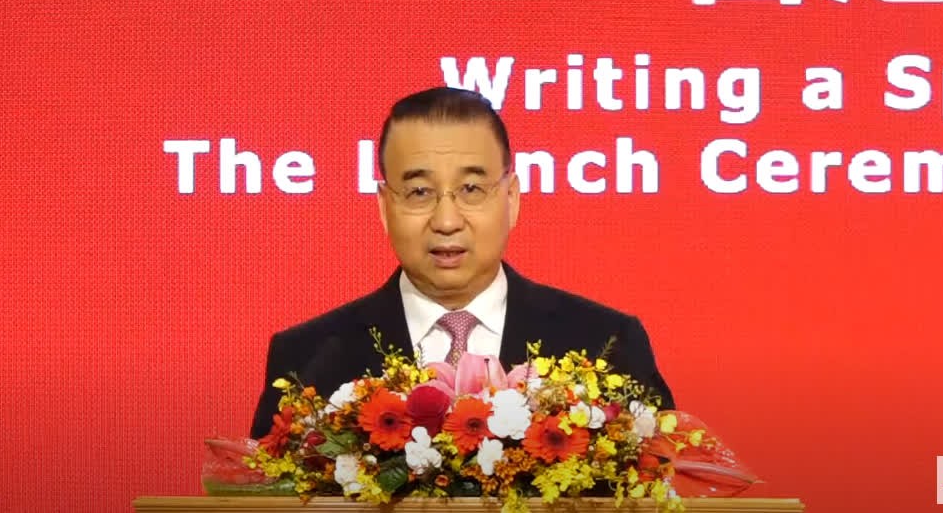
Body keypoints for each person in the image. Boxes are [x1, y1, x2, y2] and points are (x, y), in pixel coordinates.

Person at [250, 87, 674, 439]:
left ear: (511, 199)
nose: (447, 221)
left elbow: (666, 484)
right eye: (419, 192)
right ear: (384, 206)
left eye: (471, 189)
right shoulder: (308, 359)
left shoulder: (605, 343)